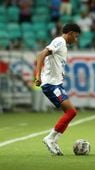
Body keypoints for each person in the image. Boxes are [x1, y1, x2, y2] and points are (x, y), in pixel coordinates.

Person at [35, 23, 81, 156]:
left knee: (70, 112)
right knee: (71, 112)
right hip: (51, 85)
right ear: (71, 33)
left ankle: (53, 140)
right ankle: (50, 139)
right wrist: (37, 76)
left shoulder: (63, 45)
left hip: (56, 84)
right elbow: (41, 55)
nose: (76, 40)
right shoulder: (59, 41)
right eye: (76, 36)